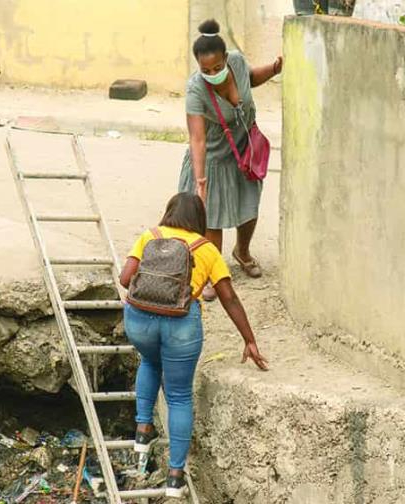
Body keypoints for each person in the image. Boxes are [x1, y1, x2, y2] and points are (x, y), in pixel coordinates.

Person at [119, 192, 268, 497]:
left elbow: (124, 279)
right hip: (181, 327)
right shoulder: (207, 249)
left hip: (140, 322)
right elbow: (228, 297)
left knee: (149, 362)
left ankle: (142, 431)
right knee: (178, 396)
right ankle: (175, 476)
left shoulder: (151, 236)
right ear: (200, 219)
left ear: (169, 211)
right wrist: (249, 339)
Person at [179, 19, 283, 301]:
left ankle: (243, 252)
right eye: (205, 70)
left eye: (216, 67)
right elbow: (197, 138)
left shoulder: (236, 63)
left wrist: (274, 69)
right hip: (212, 157)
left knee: (248, 206)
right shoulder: (196, 89)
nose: (212, 73)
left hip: (245, 150)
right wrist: (201, 181)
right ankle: (213, 272)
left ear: (225, 58)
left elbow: (250, 79)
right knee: (212, 219)